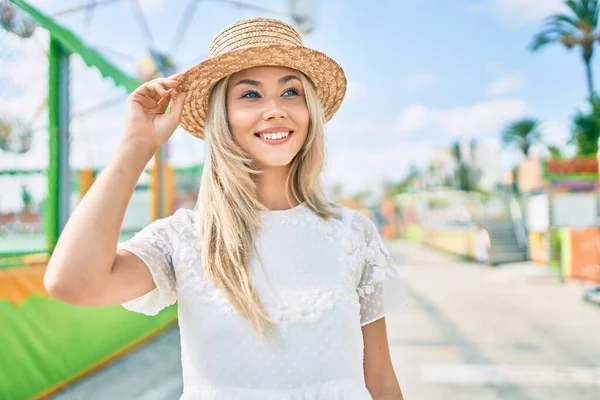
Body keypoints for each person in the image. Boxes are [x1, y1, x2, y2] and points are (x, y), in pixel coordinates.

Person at [44, 17, 407, 400]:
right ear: (224, 117)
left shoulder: (353, 233)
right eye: (250, 95)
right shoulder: (185, 237)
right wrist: (137, 145)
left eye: (291, 92)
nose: (275, 110)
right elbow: (72, 282)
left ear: (310, 110)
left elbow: (381, 382)